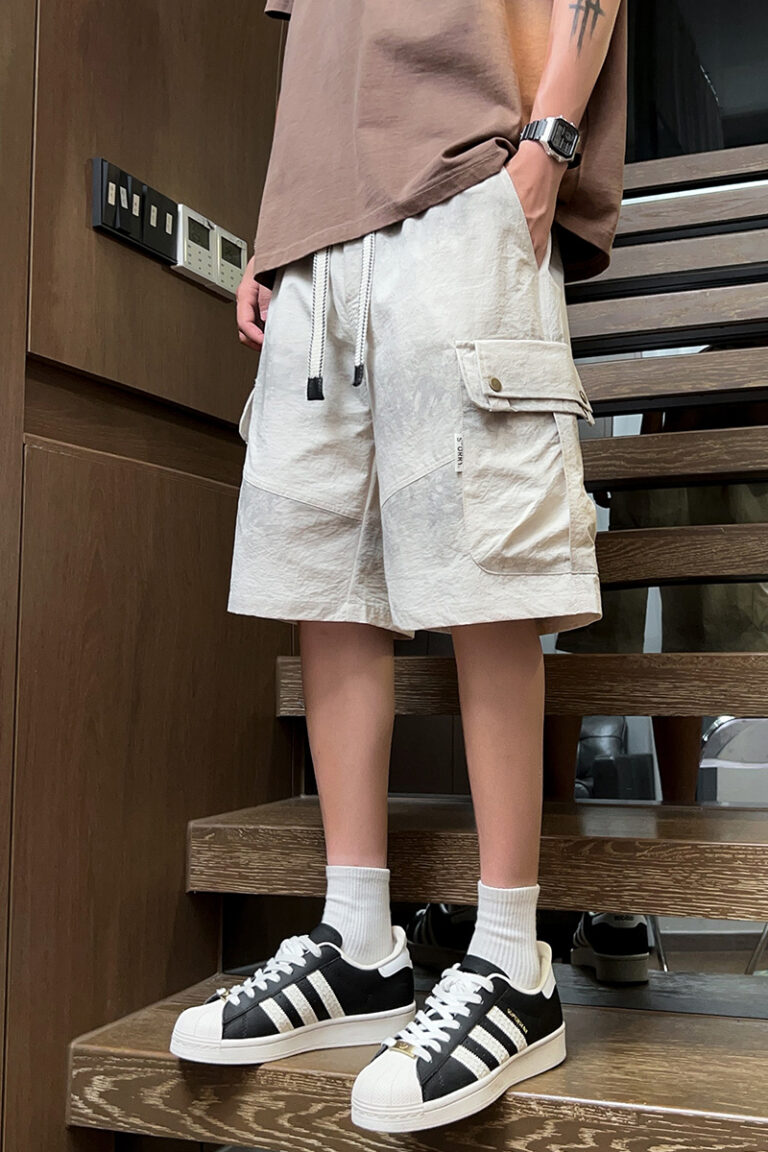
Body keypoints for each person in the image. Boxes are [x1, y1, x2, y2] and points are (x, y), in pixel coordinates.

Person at [170, 0, 627, 1133]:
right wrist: (279, 228)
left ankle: (513, 959)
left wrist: (548, 147)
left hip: (469, 179)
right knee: (324, 579)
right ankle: (359, 941)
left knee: (488, 569)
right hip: (317, 241)